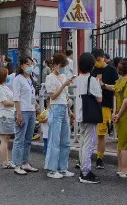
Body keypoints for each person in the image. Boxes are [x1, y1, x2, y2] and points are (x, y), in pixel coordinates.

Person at [44, 53, 75, 179]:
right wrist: (63, 85)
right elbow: (53, 96)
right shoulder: (50, 78)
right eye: (62, 65)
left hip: (64, 108)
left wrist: (70, 111)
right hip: (56, 108)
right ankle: (52, 169)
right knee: (54, 140)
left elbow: (65, 97)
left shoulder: (63, 76)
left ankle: (62, 167)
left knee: (65, 141)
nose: (63, 68)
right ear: (56, 64)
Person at [75, 52, 102, 184]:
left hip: (80, 113)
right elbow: (99, 98)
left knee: (83, 142)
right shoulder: (92, 80)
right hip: (90, 115)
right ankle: (85, 172)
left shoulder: (78, 78)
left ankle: (83, 168)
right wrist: (99, 84)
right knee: (89, 143)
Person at [91, 48, 119, 170]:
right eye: (95, 61)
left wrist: (104, 86)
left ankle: (99, 158)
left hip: (105, 105)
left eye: (99, 60)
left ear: (104, 58)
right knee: (90, 132)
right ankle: (86, 157)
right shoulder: (93, 69)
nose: (97, 62)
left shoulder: (111, 70)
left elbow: (116, 87)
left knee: (101, 134)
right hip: (92, 104)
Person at [11, 57, 39, 175]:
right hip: (22, 111)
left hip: (31, 111)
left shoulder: (31, 79)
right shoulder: (18, 79)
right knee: (19, 139)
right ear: (22, 66)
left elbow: (31, 96)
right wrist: (18, 114)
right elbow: (16, 98)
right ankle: (17, 164)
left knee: (28, 139)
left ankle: (25, 162)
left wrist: (36, 106)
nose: (30, 66)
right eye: (27, 64)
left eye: (31, 64)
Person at [112, 58, 127, 178]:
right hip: (126, 116)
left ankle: (120, 168)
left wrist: (115, 113)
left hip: (117, 115)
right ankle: (124, 171)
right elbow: (126, 101)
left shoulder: (118, 81)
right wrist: (120, 114)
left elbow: (115, 97)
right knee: (126, 145)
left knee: (120, 144)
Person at [0, 67, 16, 168]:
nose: (8, 76)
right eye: (6, 75)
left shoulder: (4, 87)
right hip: (4, 116)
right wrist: (17, 103)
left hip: (8, 115)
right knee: (4, 140)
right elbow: (5, 102)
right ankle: (5, 162)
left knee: (6, 139)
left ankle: (6, 161)